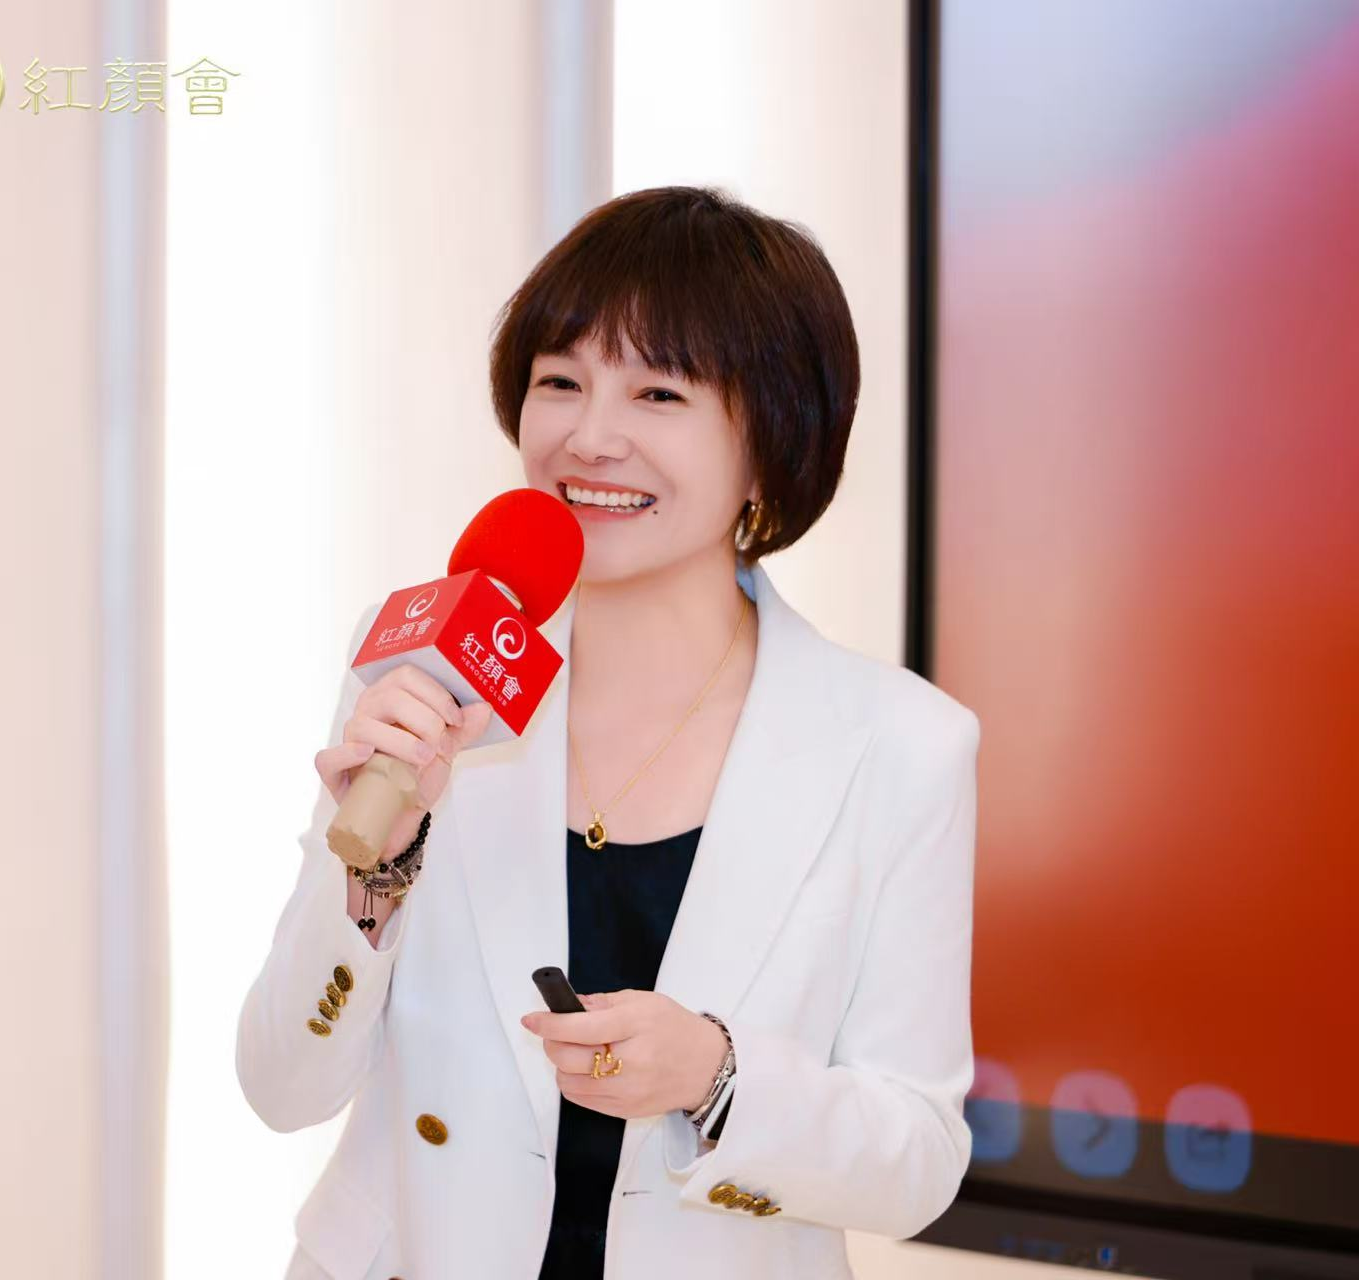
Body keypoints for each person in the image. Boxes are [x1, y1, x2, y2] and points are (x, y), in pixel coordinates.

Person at [236, 185, 982, 1280]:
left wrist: (716, 1077)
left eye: (659, 392)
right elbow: (279, 1085)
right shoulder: (430, 659)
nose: (590, 437)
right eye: (561, 382)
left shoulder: (902, 745)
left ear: (772, 443)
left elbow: (917, 1161)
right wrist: (371, 875)